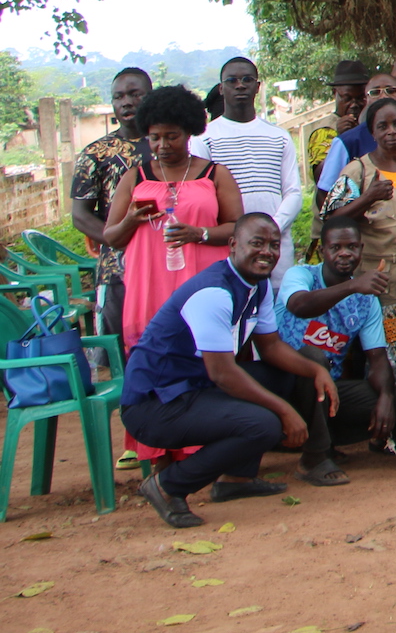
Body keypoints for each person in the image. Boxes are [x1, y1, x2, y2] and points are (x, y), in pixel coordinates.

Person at [118, 213, 337, 527]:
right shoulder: (214, 293)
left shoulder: (257, 285)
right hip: (155, 403)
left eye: (274, 245)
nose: (267, 252)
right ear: (233, 245)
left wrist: (316, 371)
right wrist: (285, 410)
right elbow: (223, 374)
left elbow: (271, 347)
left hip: (196, 386)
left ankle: (237, 479)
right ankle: (168, 486)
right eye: (257, 243)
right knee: (264, 424)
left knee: (291, 375)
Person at [276, 215, 396, 483]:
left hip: (329, 391)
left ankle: (323, 439)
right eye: (336, 247)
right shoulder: (301, 275)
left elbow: (377, 358)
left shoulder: (366, 300)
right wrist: (353, 285)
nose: (344, 253)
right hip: (285, 386)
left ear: (361, 249)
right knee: (314, 358)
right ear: (322, 251)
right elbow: (300, 305)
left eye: (352, 247)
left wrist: (386, 397)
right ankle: (314, 458)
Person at [103, 85, 243, 358]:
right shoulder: (135, 177)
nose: (163, 145)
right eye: (155, 138)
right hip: (149, 284)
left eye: (172, 136)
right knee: (154, 359)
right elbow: (112, 237)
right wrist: (130, 220)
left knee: (205, 358)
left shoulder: (215, 174)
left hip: (201, 282)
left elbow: (237, 228)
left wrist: (199, 234)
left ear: (189, 132)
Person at [324, 98, 396, 347]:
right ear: (372, 132)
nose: (391, 131)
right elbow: (330, 221)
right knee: (390, 353)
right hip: (385, 293)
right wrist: (368, 198)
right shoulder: (358, 172)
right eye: (383, 126)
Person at [193, 57, 304, 275]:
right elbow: (203, 196)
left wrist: (272, 228)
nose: (240, 85)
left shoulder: (279, 136)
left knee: (278, 296)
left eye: (247, 79)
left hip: (276, 245)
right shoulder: (204, 138)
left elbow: (293, 192)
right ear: (221, 88)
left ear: (257, 86)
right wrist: (239, 234)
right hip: (228, 246)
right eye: (232, 81)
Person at [70, 66, 152, 344]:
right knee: (118, 350)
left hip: (167, 264)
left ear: (151, 95)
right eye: (118, 97)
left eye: (135, 94)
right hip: (116, 270)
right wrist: (119, 238)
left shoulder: (171, 147)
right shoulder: (95, 154)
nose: (126, 102)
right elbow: (80, 216)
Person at [316, 71, 396, 197]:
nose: (383, 96)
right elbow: (325, 193)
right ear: (366, 100)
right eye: (375, 92)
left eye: (391, 90)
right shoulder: (346, 142)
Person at [306, 61, 370, 207]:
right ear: (335, 93)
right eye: (347, 98)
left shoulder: (372, 126)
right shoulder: (323, 131)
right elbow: (321, 178)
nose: (354, 104)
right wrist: (342, 140)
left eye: (360, 98)